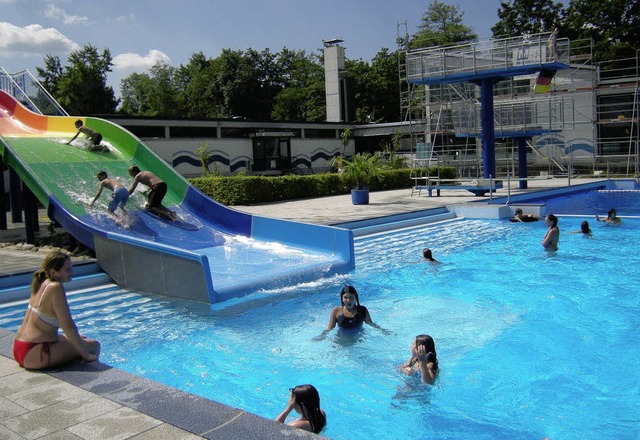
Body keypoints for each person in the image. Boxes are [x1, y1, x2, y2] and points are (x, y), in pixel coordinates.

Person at [12, 251, 100, 370]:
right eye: (67, 269)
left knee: (82, 338)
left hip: (20, 348)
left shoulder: (41, 282)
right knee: (93, 345)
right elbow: (68, 326)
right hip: (36, 354)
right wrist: (85, 354)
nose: (71, 272)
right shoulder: (55, 287)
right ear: (54, 272)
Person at [318, 285, 387, 338]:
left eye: (351, 297)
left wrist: (382, 330)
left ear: (355, 298)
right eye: (345, 297)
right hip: (341, 339)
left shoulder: (362, 310)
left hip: (358, 339)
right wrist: (321, 336)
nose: (348, 300)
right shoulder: (336, 311)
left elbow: (370, 323)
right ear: (342, 299)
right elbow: (329, 329)